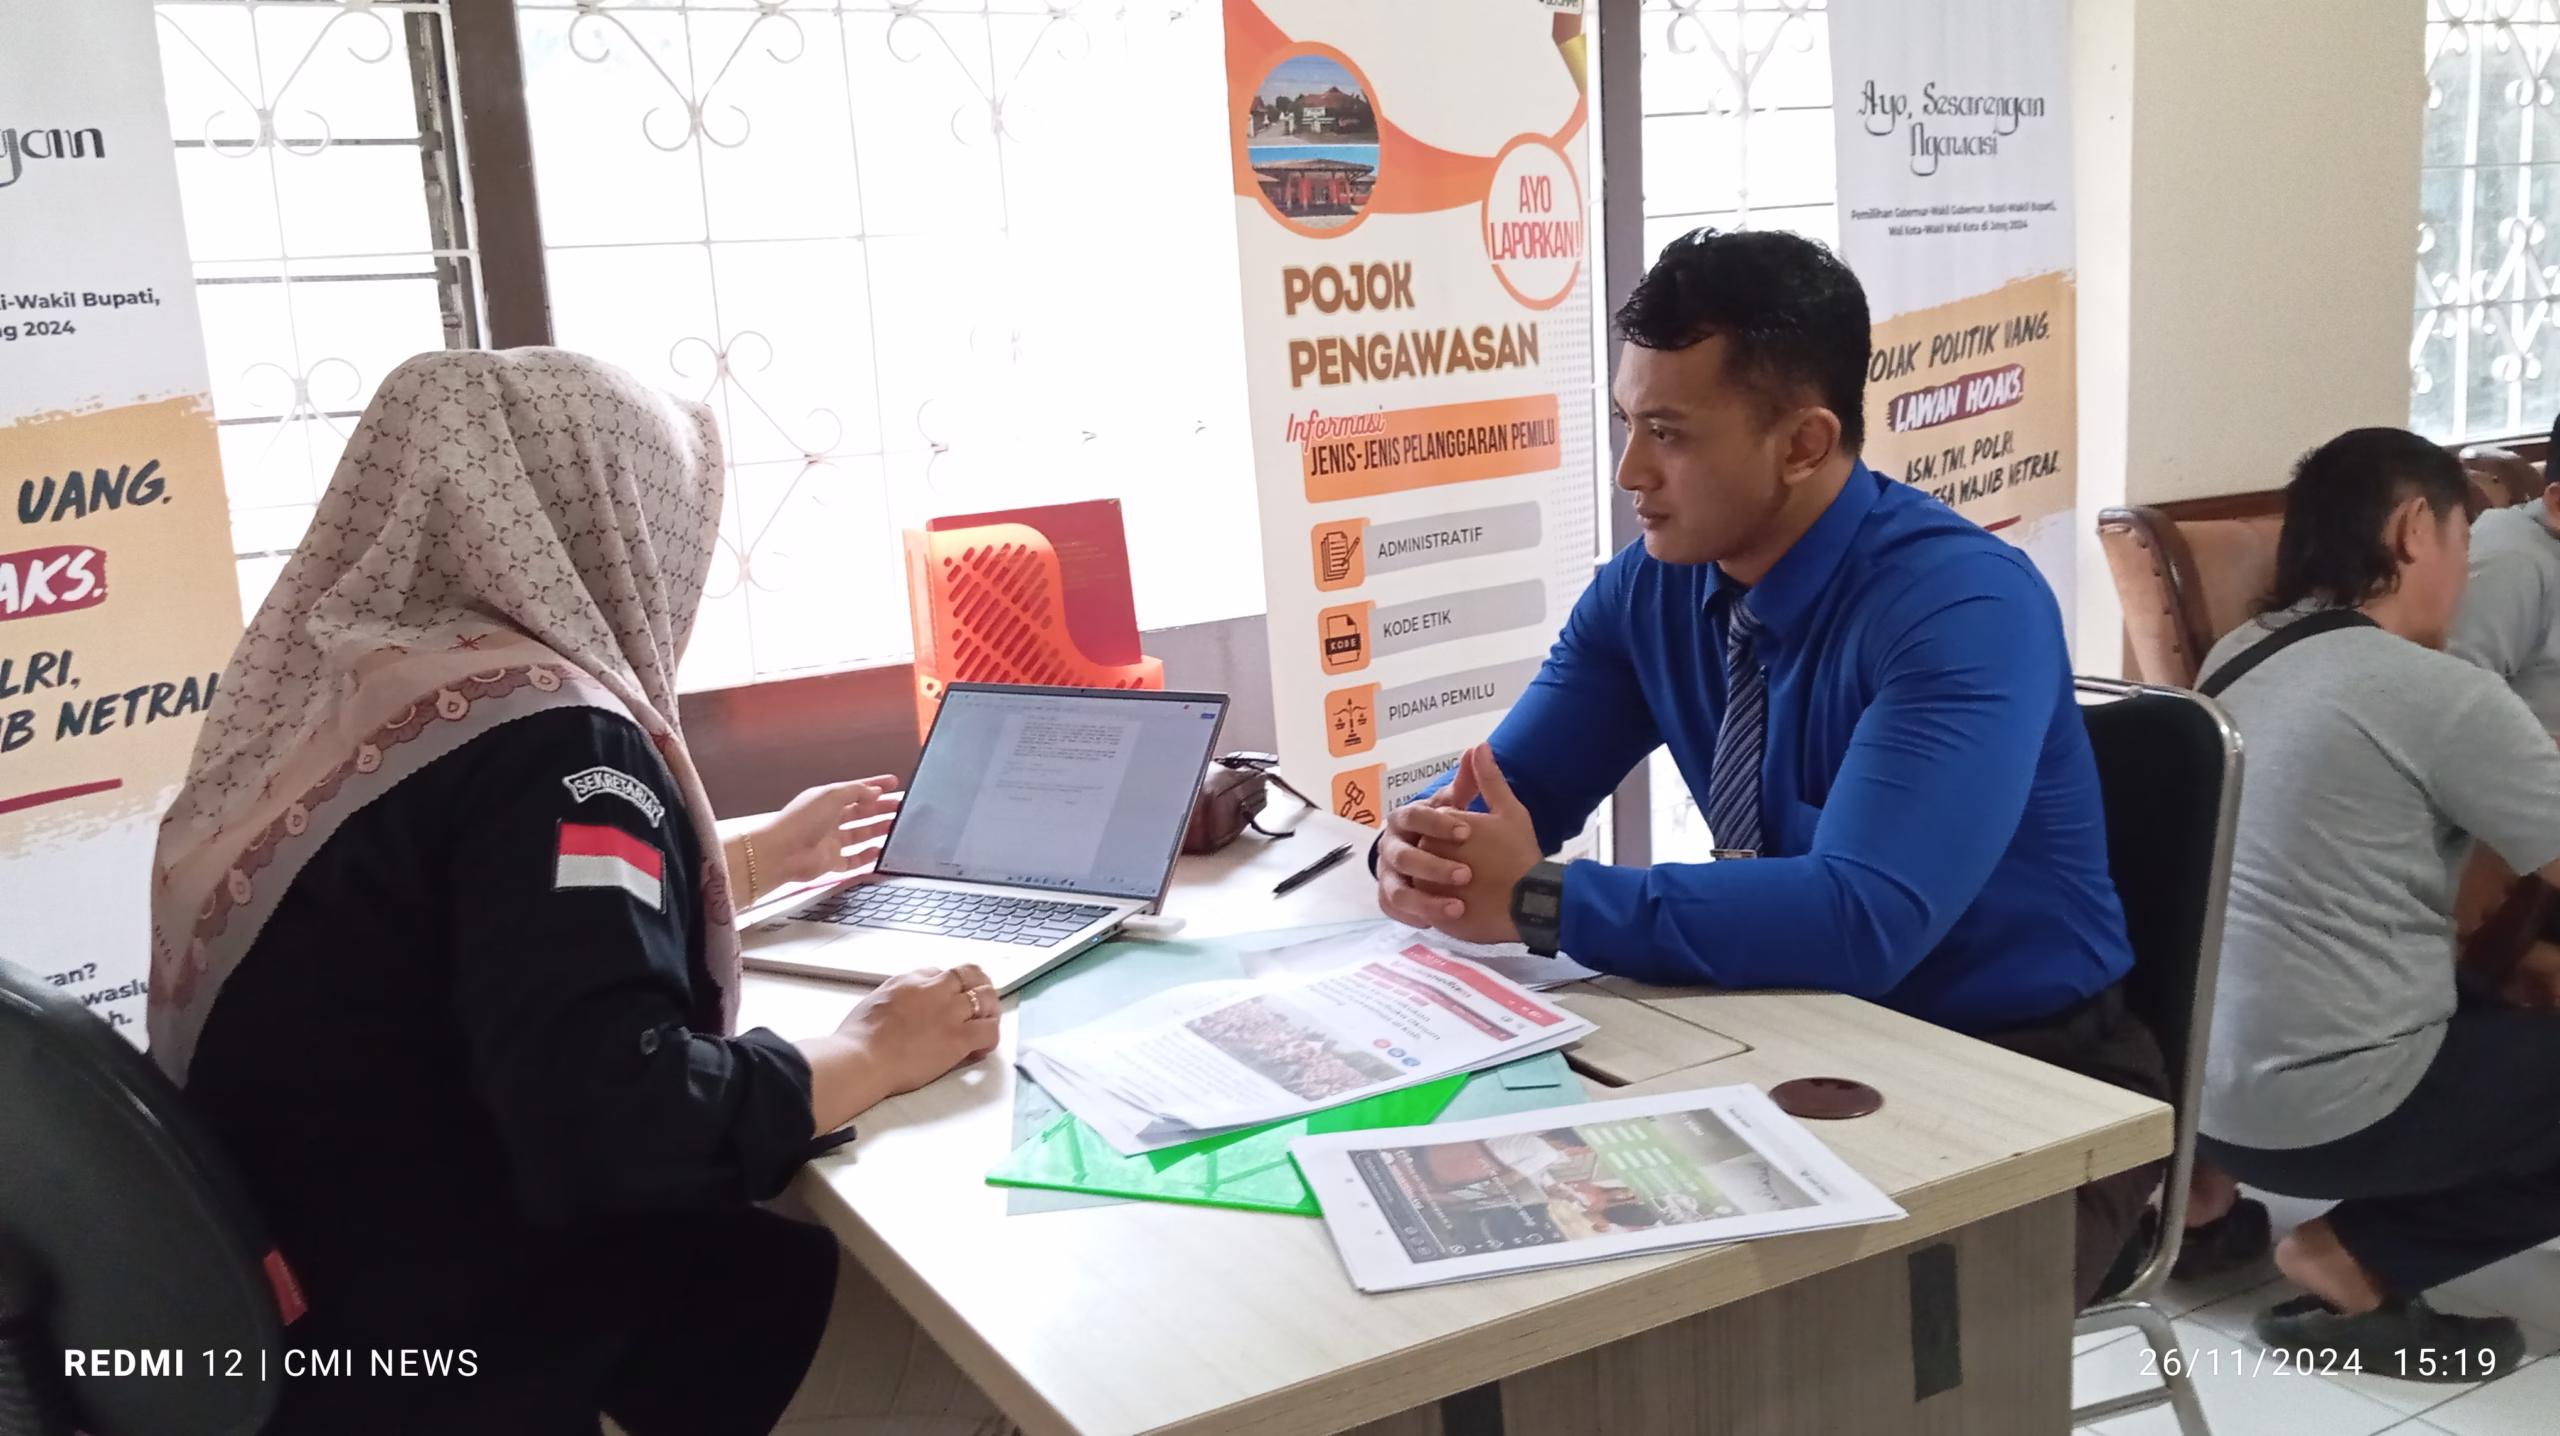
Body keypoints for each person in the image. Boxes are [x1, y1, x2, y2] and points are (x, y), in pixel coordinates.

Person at [148, 350, 1011, 1436]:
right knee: (1005, 1369)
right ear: (612, 523)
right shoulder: (559, 740)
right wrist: (874, 1047)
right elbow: (622, 1123)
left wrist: (748, 863)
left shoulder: (353, 697)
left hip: (324, 1302)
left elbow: (453, 925)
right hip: (499, 1344)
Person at [1368, 227, 2169, 1308]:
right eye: (1628, 424)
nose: (1630, 473)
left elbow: (1864, 917)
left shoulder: (1962, 606)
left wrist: (1542, 899)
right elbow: (1507, 798)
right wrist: (1420, 848)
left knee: (1745, 1338)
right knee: (1520, 1266)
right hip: (1783, 1034)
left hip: (2026, 1077)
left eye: (1668, 434)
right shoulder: (1649, 587)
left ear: (1803, 443)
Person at [2194, 427, 2560, 1377]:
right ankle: (2354, 1260)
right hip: (2330, 1111)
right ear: (2413, 529)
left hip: (2204, 1099)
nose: (2466, 577)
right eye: (2462, 543)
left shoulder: (2236, 655)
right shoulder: (2439, 692)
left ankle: (2199, 1205)